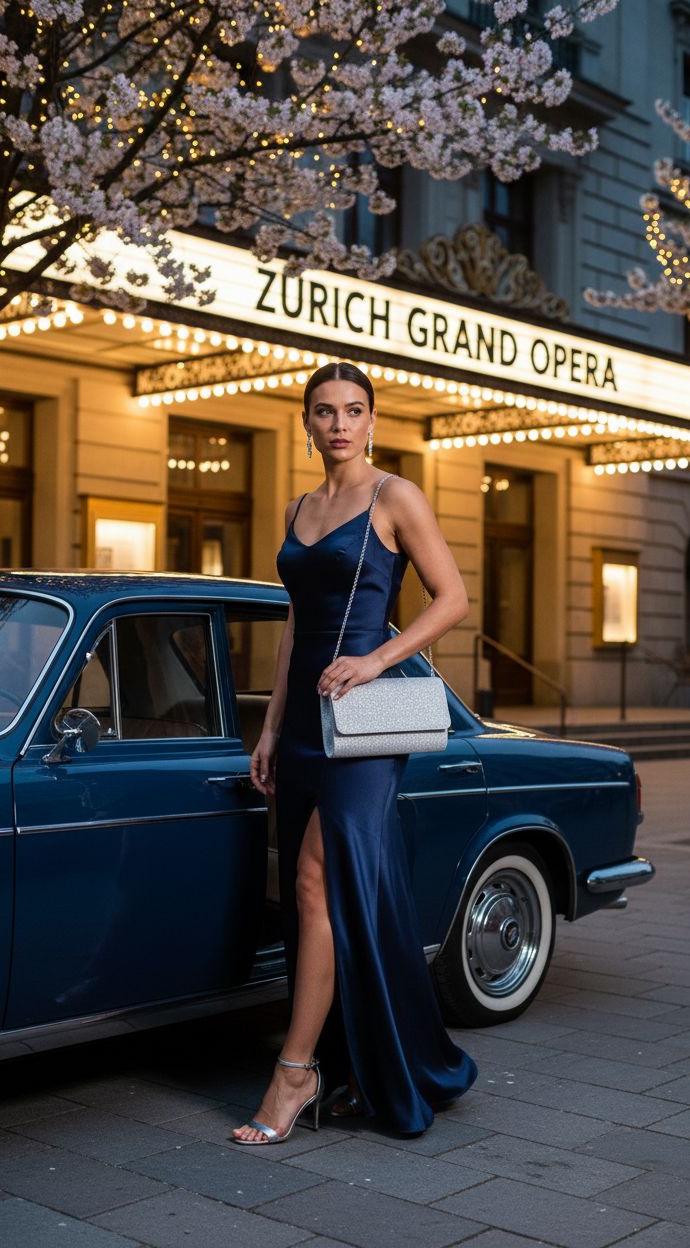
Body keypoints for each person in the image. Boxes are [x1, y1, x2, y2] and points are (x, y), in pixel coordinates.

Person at [232, 361, 477, 1144]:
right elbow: (298, 630)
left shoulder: (394, 496)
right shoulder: (298, 506)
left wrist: (376, 659)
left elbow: (453, 598)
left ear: (373, 420)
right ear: (307, 423)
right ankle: (363, 1064)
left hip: (367, 724)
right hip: (304, 725)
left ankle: (294, 1073)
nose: (339, 424)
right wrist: (270, 729)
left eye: (354, 410)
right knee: (331, 905)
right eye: (324, 412)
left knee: (312, 879)